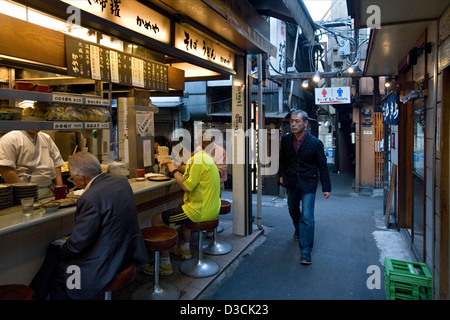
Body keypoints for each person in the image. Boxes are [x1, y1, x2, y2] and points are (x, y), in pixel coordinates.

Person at [29, 151, 148, 299]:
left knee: (56, 273)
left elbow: (78, 245)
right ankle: (35, 292)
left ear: (80, 178)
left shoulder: (89, 198)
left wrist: (64, 247)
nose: (73, 182)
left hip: (104, 262)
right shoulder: (121, 182)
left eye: (72, 179)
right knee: (53, 255)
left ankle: (44, 293)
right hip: (127, 251)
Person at [145, 134, 221, 276]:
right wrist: (175, 165)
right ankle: (184, 248)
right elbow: (188, 170)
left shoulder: (195, 161)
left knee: (156, 219)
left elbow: (186, 187)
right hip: (212, 209)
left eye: (176, 154)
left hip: (199, 212)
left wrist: (173, 170)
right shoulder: (202, 158)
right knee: (181, 205)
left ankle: (164, 264)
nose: (175, 158)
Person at [278, 110, 331, 265]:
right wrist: (281, 175)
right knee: (293, 209)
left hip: (308, 183)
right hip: (292, 182)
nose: (293, 124)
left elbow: (322, 166)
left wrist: (326, 187)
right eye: (291, 121)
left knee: (307, 216)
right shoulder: (286, 140)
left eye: (297, 121)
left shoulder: (315, 143)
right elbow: (282, 160)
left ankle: (306, 250)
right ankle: (298, 229)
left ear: (305, 123)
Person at [0, 130, 65, 199]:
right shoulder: (10, 138)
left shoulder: (46, 138)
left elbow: (57, 163)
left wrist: (59, 188)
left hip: (50, 191)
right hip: (25, 193)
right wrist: (24, 194)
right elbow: (5, 169)